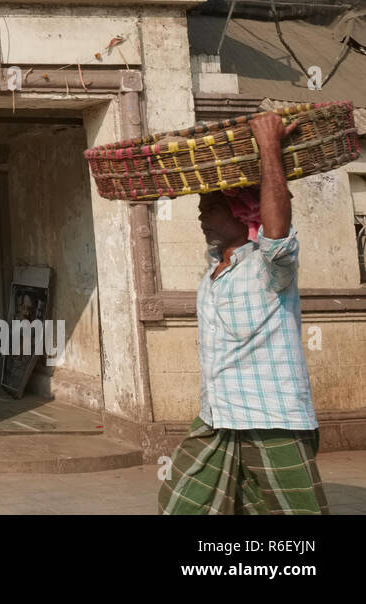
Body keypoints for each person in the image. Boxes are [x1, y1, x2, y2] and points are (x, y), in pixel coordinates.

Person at [158, 111, 328, 515]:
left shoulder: (269, 267)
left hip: (273, 417)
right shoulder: (213, 271)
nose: (201, 214)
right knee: (180, 504)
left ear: (243, 212)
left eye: (212, 205)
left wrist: (269, 147)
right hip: (218, 416)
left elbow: (278, 230)